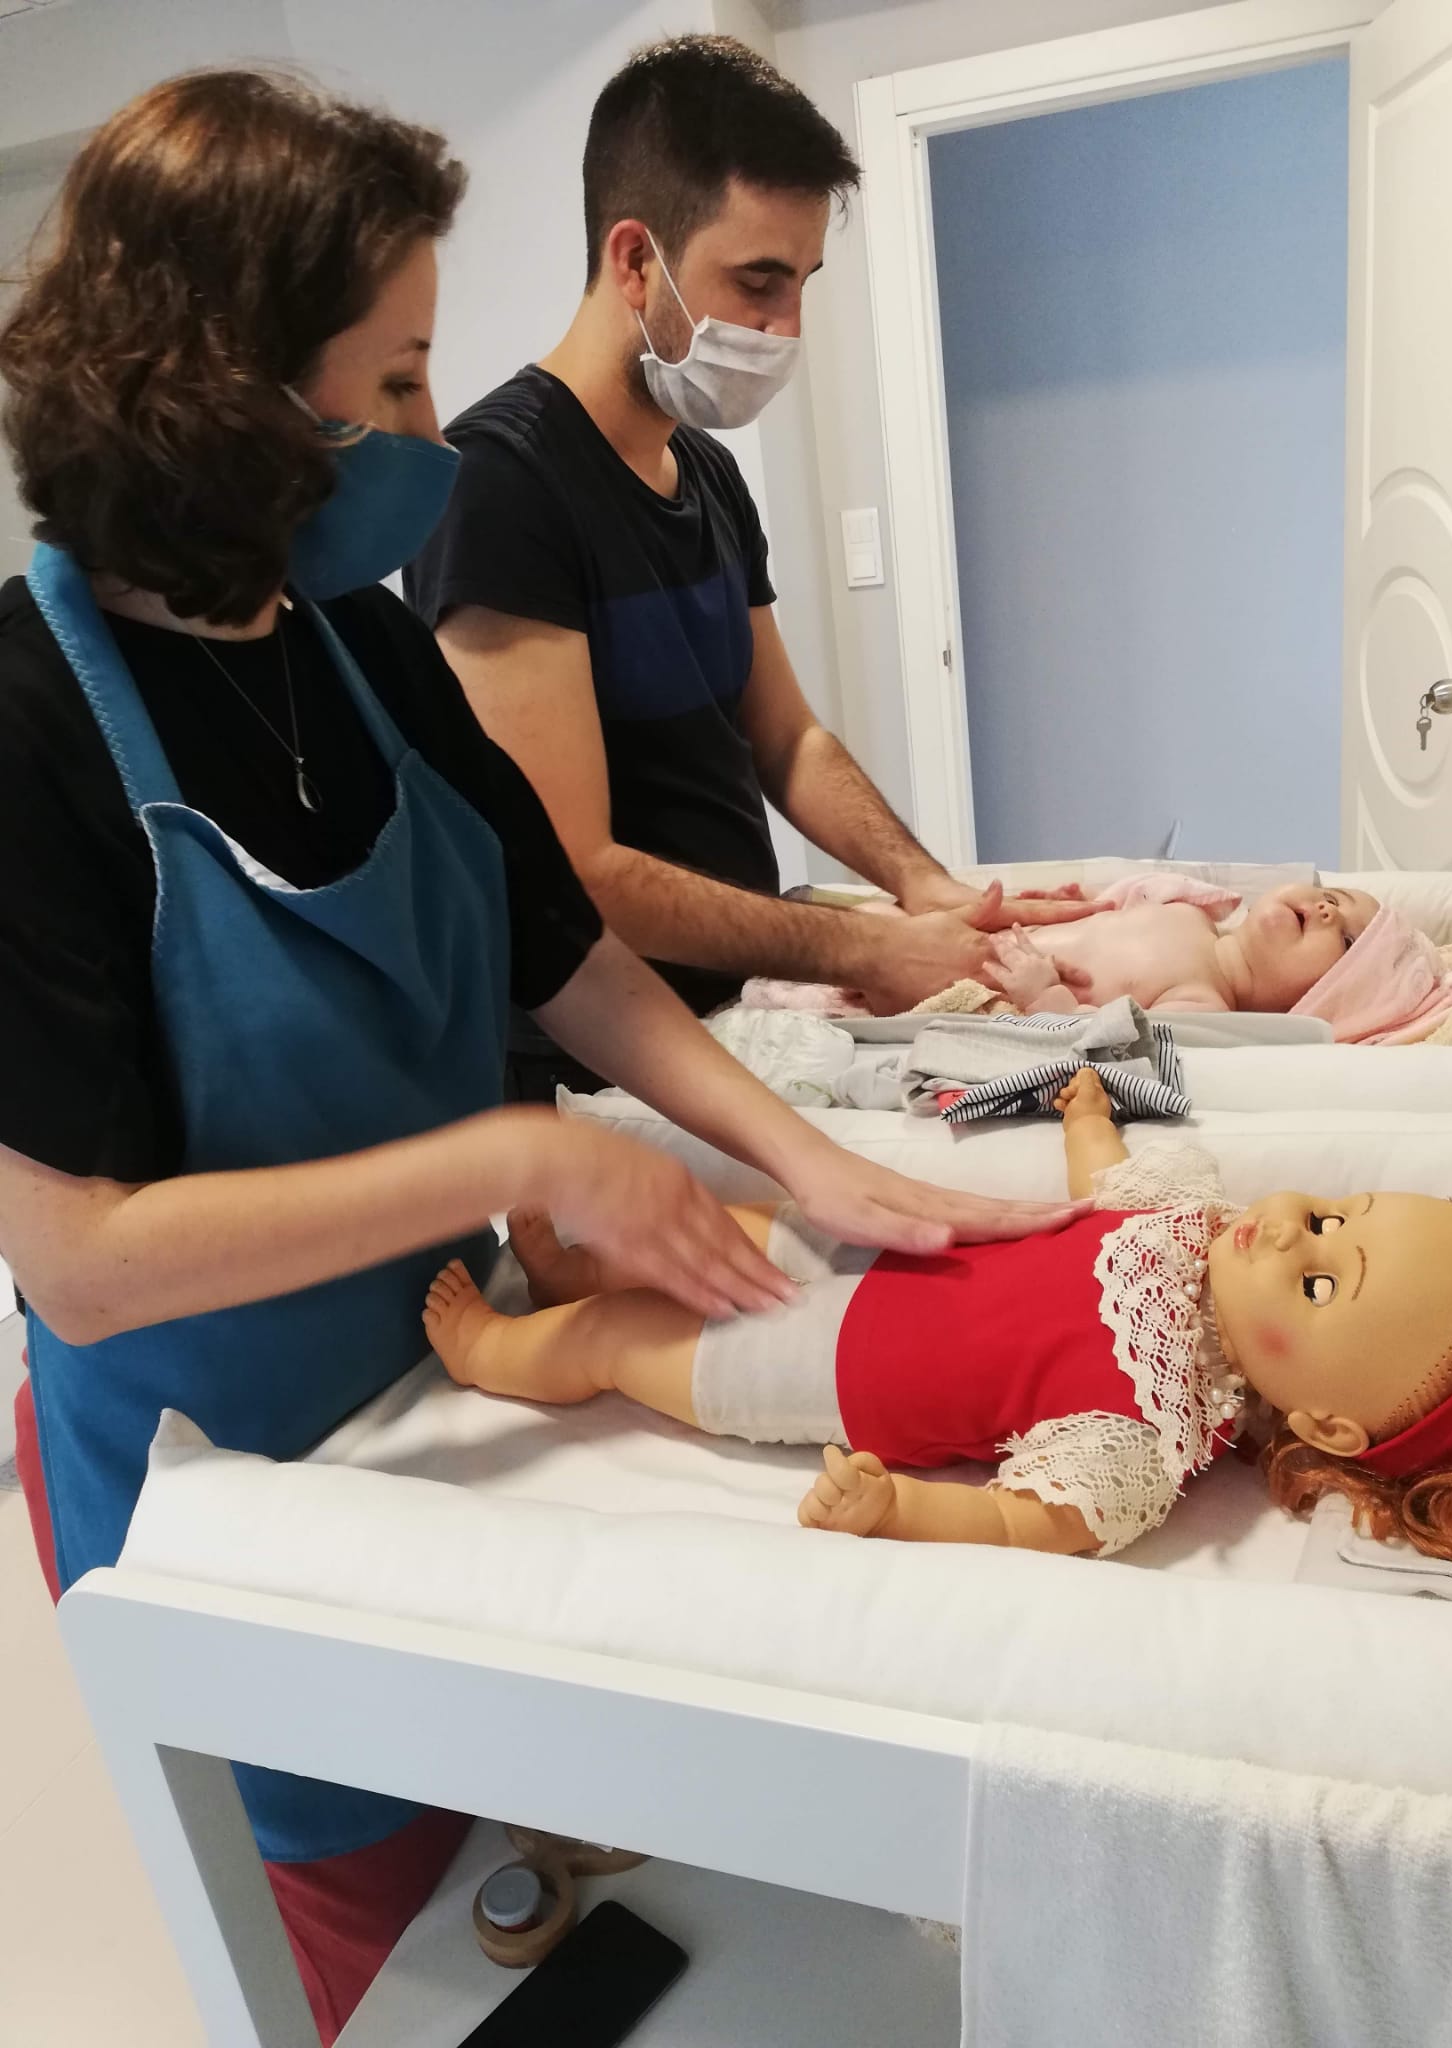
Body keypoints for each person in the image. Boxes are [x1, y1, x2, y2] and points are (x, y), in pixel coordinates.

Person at [0, 72, 1081, 2044]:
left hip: (447, 1375)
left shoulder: (354, 646)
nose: (432, 435)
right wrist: (525, 1162)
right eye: (398, 381)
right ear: (220, 395)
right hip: (214, 1469)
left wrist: (805, 1157)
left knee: (548, 1835)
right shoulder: (27, 725)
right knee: (391, 1943)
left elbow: (566, 954)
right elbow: (81, 1258)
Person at [405, 34, 1089, 1100]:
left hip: (736, 1026)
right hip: (593, 1074)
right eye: (759, 282)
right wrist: (863, 946)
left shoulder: (707, 472)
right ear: (635, 261)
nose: (786, 328)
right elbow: (577, 872)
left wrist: (923, 886)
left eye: (803, 282)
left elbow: (788, 738)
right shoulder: (500, 485)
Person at [424, 1065, 1452, 1568]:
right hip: (881, 1252)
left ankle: (496, 1350)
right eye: (1334, 1215)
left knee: (626, 1343)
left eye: (1321, 1284)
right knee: (719, 1230)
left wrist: (896, 1508)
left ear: (1329, 1423)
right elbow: (1105, 1188)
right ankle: (576, 1279)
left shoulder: (1150, 1438)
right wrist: (1089, 1118)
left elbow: (1018, 1523)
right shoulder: (1190, 1216)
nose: (1293, 1229)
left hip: (829, 1370)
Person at [982, 881, 1381, 1014]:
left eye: (1347, 941)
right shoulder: (1190, 912)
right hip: (997, 931)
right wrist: (1077, 905)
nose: (1329, 910)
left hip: (986, 990)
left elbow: (1107, 1049)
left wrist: (1045, 997)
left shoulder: (1202, 1003)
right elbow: (1112, 918)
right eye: (1332, 896)